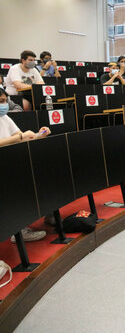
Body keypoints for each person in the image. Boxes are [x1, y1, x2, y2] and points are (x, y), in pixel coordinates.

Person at [0, 87, 51, 242]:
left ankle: (22, 228)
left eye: (4, 101)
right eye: (1, 102)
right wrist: (20, 137)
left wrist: (38, 135)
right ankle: (17, 231)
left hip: (10, 163)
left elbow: (20, 137)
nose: (4, 105)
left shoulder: (5, 118)